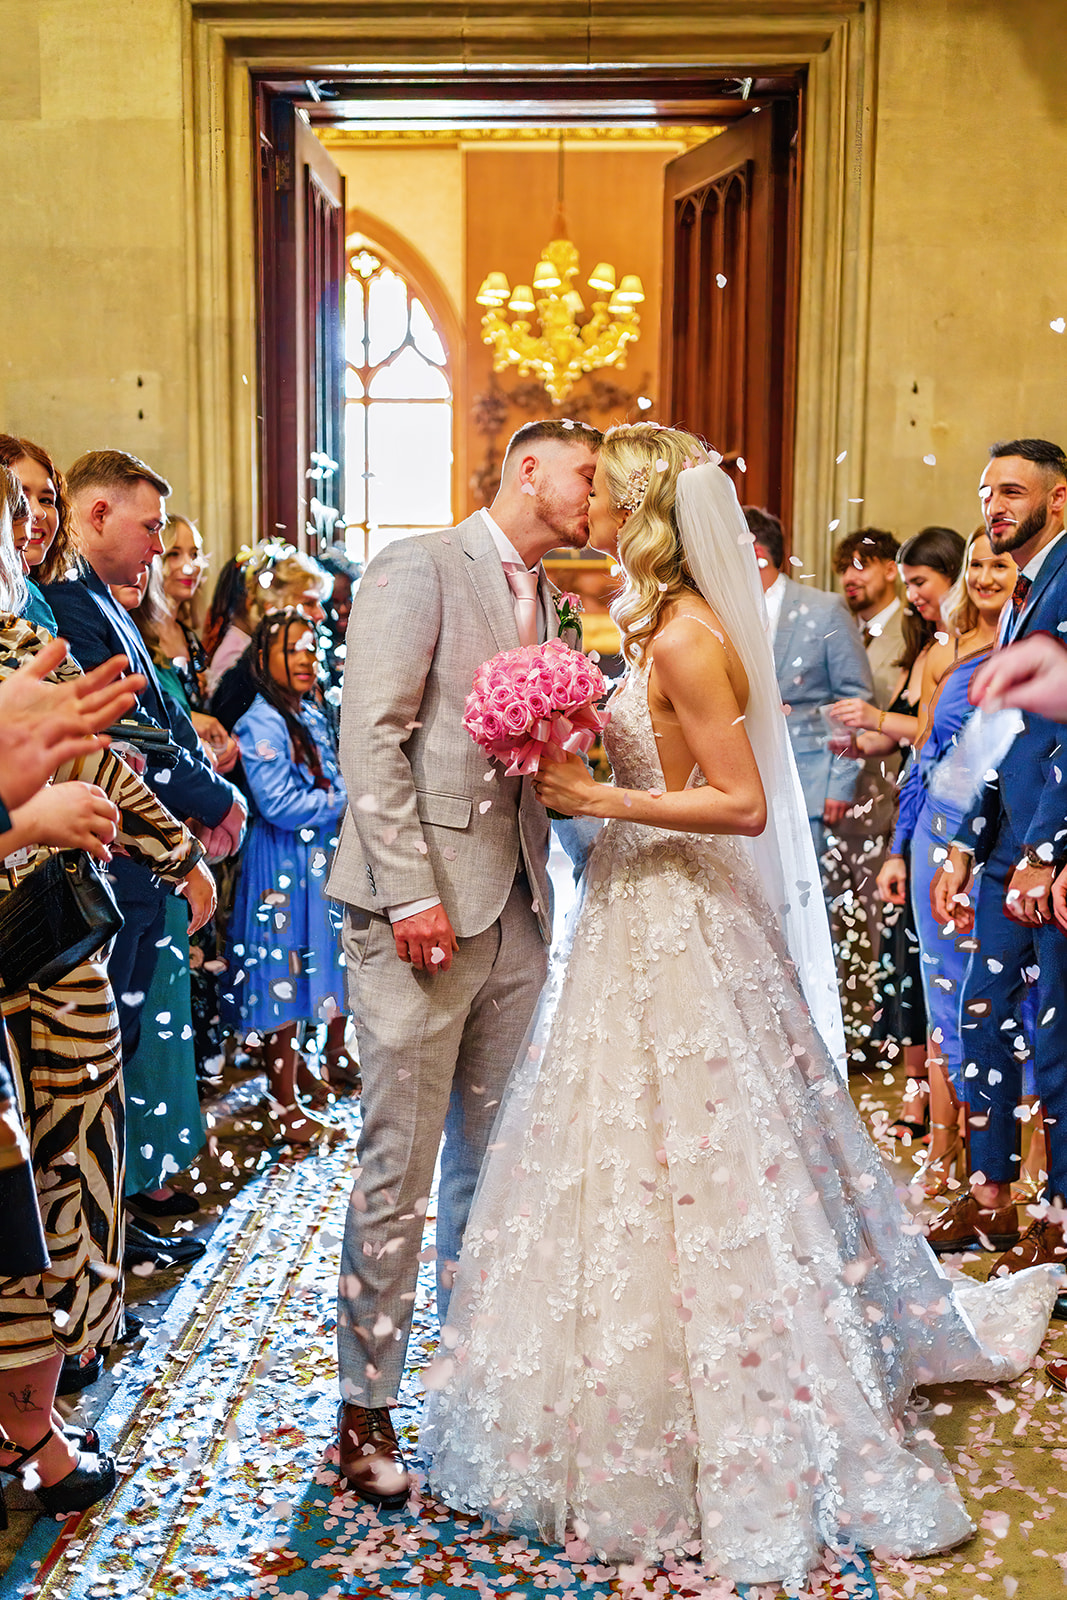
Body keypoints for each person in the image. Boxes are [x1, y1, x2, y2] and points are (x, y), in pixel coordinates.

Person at [422, 424, 1061, 1592]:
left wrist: (592, 790)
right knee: (618, 1155)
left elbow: (743, 803)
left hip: (679, 917)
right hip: (627, 915)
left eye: (607, 497)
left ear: (645, 510)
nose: (589, 513)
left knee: (709, 1157)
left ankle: (730, 1395)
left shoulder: (686, 636)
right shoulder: (645, 622)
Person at [328, 416, 602, 1507]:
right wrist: (409, 891)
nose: (594, 493)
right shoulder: (419, 565)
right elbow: (372, 734)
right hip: (421, 913)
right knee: (398, 1166)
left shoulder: (557, 598)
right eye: (584, 473)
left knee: (493, 1166)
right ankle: (363, 1410)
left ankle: (467, 1385)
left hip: (520, 910)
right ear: (527, 468)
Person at [929, 439, 1067, 1273]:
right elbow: (1005, 727)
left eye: (1012, 491)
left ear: (1059, 499)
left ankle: (1058, 1223)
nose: (994, 506)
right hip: (1001, 850)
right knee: (978, 1021)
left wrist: (1047, 852)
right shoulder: (1020, 593)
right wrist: (960, 844)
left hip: (1046, 856)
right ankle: (993, 1202)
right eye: (986, 493)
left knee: (1055, 1048)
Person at [876, 530, 1016, 1200]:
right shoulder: (942, 652)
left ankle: (1003, 1174)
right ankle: (942, 1154)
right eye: (977, 565)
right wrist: (899, 848)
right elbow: (921, 759)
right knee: (939, 993)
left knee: (992, 997)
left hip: (1000, 834)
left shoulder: (1030, 651)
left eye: (1000, 564)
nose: (986, 576)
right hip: (935, 830)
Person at [830, 527, 965, 1130]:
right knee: (908, 961)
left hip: (948, 814)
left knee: (937, 964)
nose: (913, 596)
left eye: (919, 583)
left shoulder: (960, 654)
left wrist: (878, 718)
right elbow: (900, 737)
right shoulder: (926, 645)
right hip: (910, 812)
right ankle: (917, 1092)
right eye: (909, 585)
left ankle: (947, 1104)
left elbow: (937, 738)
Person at [221, 608, 349, 1140]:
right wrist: (343, 800)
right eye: (291, 649)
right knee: (281, 978)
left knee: (310, 971)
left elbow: (326, 777)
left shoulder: (308, 713)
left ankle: (299, 1081)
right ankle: (282, 1103)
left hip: (311, 864)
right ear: (263, 658)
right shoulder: (259, 721)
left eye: (309, 646)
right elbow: (279, 804)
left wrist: (331, 796)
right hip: (278, 867)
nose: (305, 657)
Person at [745, 505, 872, 858]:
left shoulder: (825, 609)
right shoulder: (723, 614)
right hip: (742, 789)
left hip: (811, 786)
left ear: (756, 554)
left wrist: (840, 783)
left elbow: (854, 700)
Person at [823, 528, 904, 1071]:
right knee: (843, 925)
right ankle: (850, 1036)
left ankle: (885, 1038)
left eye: (864, 565)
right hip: (838, 804)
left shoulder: (911, 634)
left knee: (879, 930)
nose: (852, 577)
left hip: (889, 800)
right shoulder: (838, 630)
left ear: (891, 570)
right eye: (844, 567)